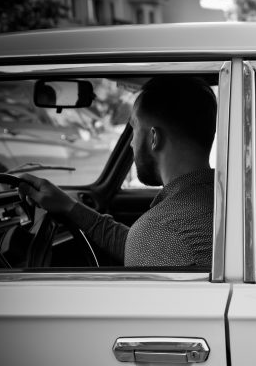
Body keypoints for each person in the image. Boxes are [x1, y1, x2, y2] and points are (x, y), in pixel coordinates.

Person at [19, 75, 217, 268]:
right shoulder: (221, 201)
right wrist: (69, 206)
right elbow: (142, 245)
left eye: (134, 128)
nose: (131, 143)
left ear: (154, 138)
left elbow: (149, 243)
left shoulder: (163, 230)